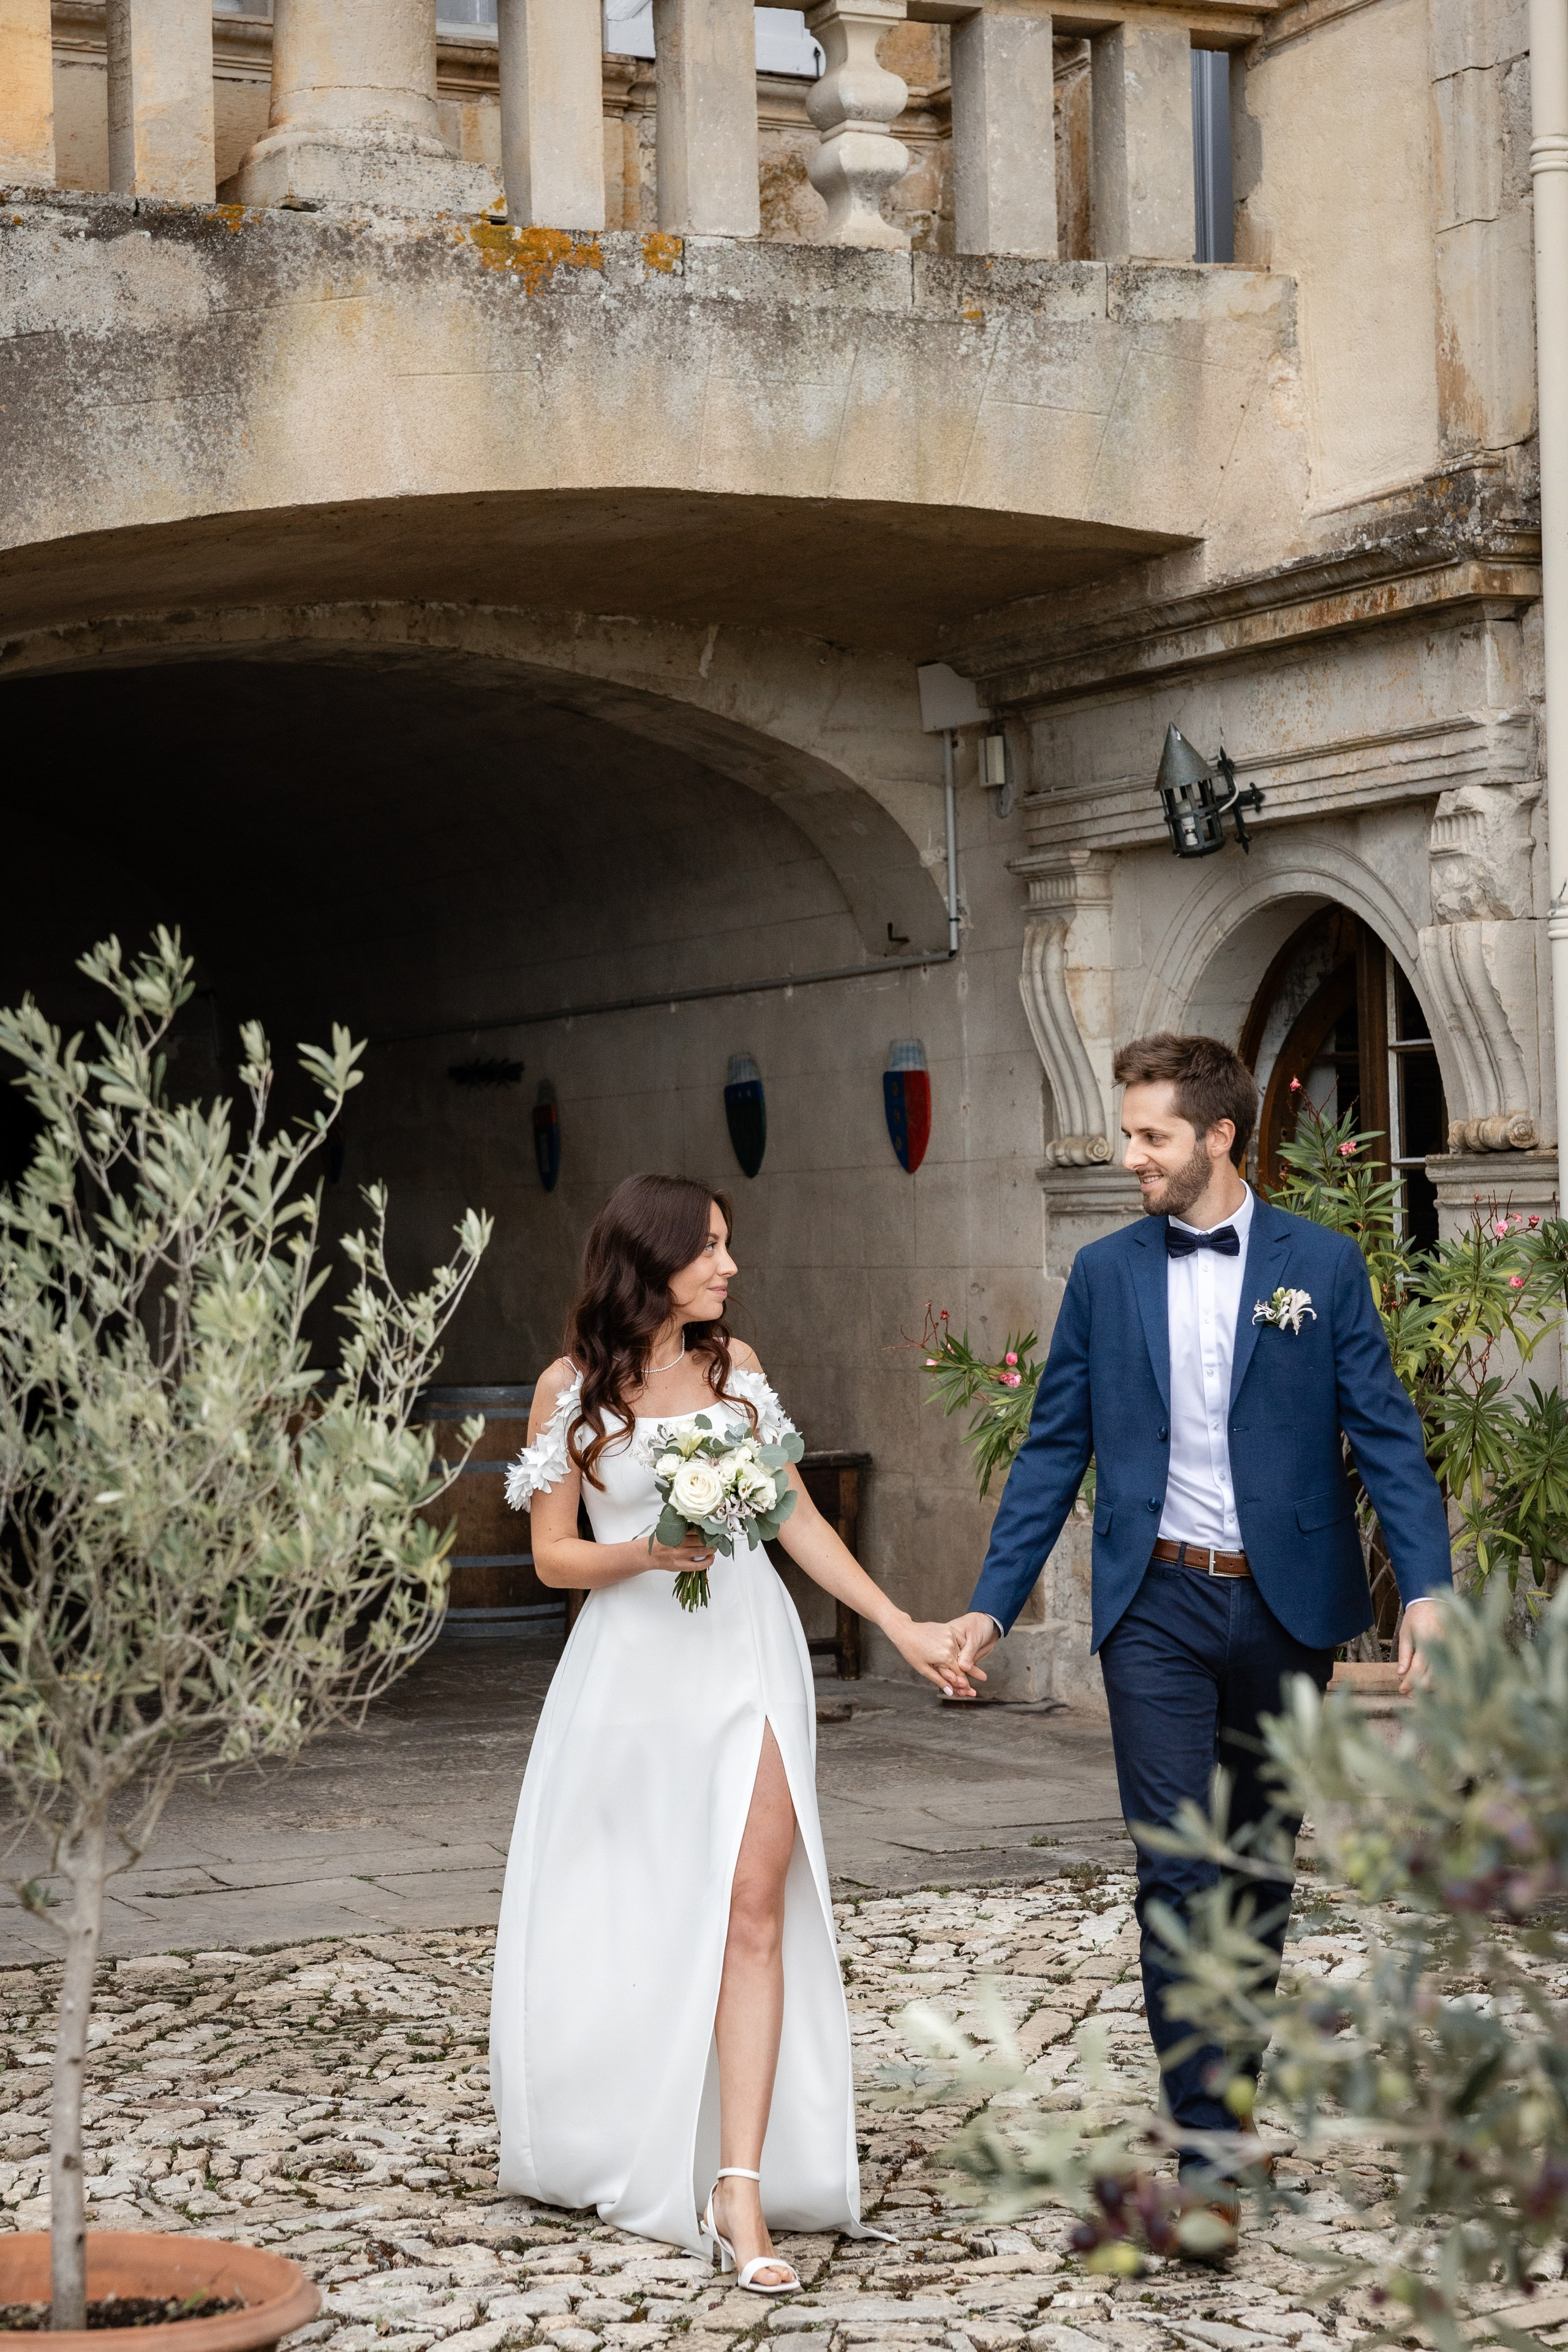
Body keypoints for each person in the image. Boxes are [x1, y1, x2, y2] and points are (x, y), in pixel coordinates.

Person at [947, 1033, 1451, 2217]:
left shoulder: (1318, 1268)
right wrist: (989, 1604)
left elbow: (1384, 1433)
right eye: (1128, 1134)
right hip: (1155, 1604)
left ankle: (1228, 2103)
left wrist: (1425, 1588)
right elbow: (1053, 1445)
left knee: (1255, 1870)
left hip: (1287, 1610)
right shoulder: (1105, 1274)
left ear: (1219, 1137)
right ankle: (1209, 2149)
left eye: (1151, 1136)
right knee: (1176, 1872)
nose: (1132, 1157)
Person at [490, 1173, 964, 2290]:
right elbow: (554, 1556)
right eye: (708, 1248)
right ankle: (627, 2121)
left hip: (749, 1655)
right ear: (647, 1260)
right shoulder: (570, 1392)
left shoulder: (736, 1372)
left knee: (755, 1903)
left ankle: (739, 2186)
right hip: (630, 1673)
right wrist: (647, 1553)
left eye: (727, 1248)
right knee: (651, 1903)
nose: (728, 1267)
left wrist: (898, 1623)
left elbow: (793, 1514)